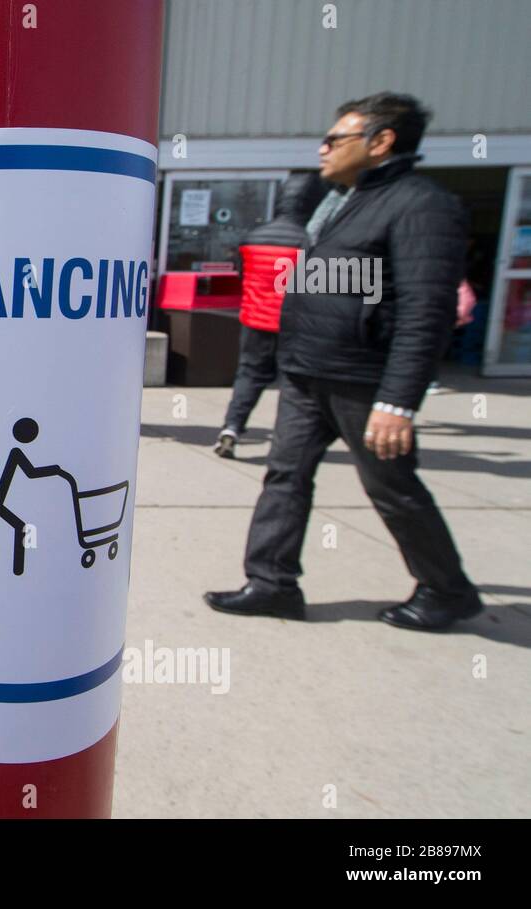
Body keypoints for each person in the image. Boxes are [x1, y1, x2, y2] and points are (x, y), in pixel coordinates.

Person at [205, 92, 482, 632]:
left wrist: (398, 400)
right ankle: (271, 583)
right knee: (284, 477)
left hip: (364, 381)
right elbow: (344, 286)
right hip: (308, 374)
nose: (323, 149)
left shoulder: (420, 205)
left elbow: (426, 310)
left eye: (336, 139)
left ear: (381, 142)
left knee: (392, 488)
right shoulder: (341, 203)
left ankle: (447, 590)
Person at [215, 173, 325, 458]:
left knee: (248, 376)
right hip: (295, 326)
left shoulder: (254, 237)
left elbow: (242, 276)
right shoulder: (311, 241)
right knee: (292, 385)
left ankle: (232, 427)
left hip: (255, 320)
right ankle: (285, 443)